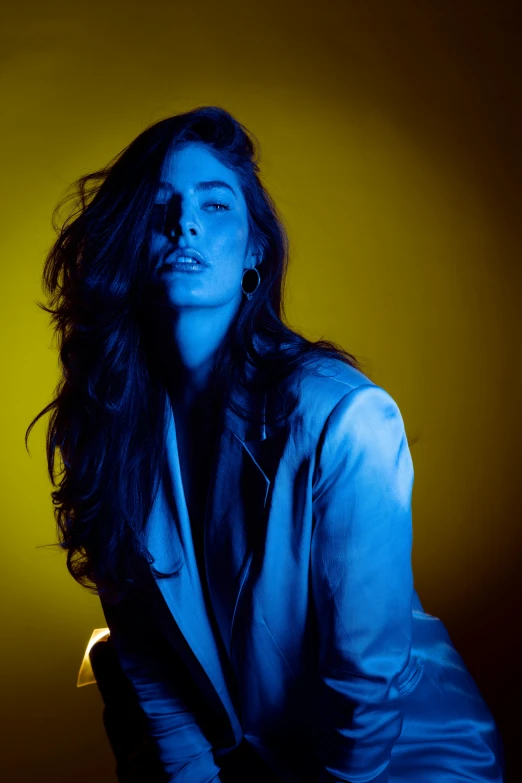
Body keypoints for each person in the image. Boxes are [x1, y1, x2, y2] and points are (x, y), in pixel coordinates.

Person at [26, 106, 506, 783]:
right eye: (157, 207)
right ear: (128, 244)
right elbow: (151, 671)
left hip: (399, 763)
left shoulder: (346, 418)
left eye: (215, 203)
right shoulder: (106, 427)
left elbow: (362, 701)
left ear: (255, 248)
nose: (183, 223)